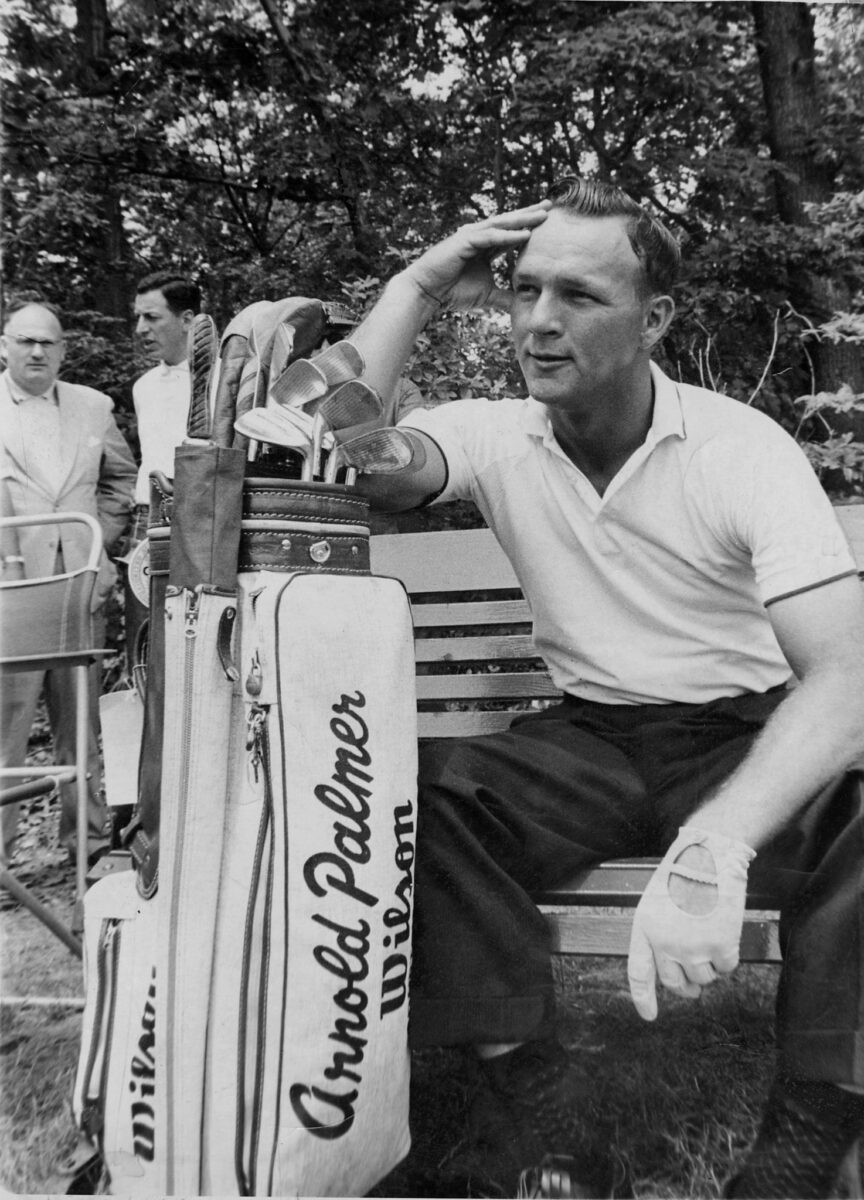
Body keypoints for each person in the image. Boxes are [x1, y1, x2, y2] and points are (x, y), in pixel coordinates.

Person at [345, 178, 864, 1198]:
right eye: (523, 291)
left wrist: (715, 847)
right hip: (589, 740)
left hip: (744, 736)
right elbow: (353, 453)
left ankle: (806, 1139)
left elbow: (846, 676)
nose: (538, 321)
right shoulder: (494, 436)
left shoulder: (738, 449)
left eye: (578, 296)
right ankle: (546, 1125)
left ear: (655, 318)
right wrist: (416, 280)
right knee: (424, 796)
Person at [0, 301, 136, 868]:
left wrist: (97, 546)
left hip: (80, 590)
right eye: (26, 341)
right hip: (10, 591)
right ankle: (1, 856)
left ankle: (88, 843)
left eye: (48, 344)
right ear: (4, 345)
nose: (37, 352)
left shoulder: (93, 406)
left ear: (62, 351)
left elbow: (121, 481)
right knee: (7, 724)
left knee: (79, 723)